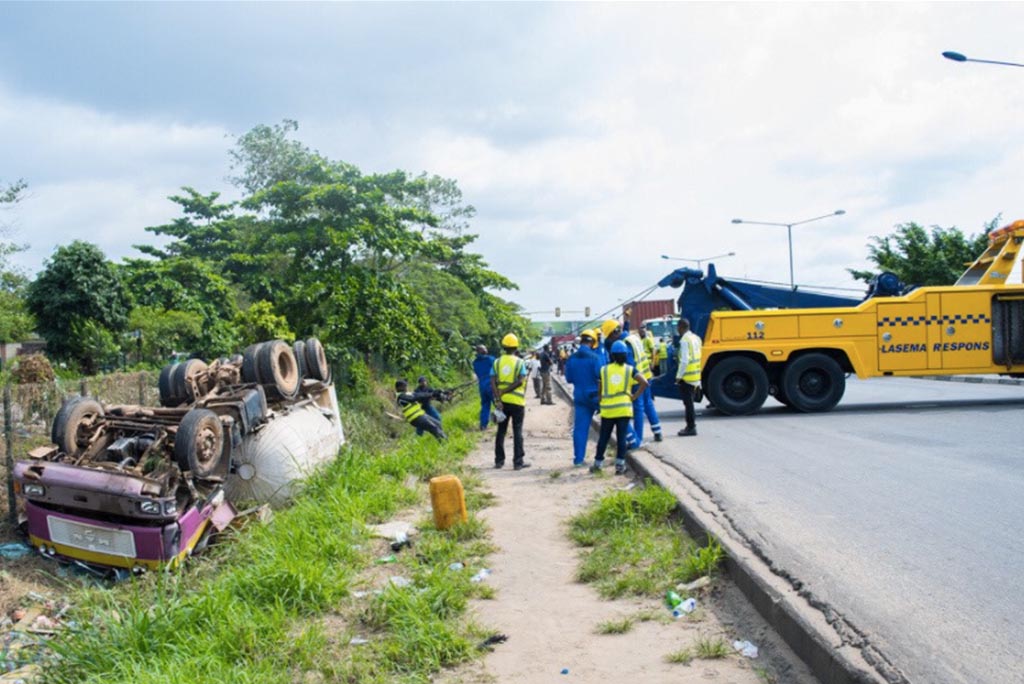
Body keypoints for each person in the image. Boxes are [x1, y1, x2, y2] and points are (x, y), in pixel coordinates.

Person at [591, 340, 647, 475]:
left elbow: (599, 391)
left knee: (604, 437)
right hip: (624, 409)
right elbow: (644, 382)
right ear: (625, 355)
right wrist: (634, 396)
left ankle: (598, 464)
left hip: (608, 410)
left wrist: (601, 401)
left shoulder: (604, 371)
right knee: (621, 438)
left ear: (612, 355)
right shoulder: (630, 369)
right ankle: (620, 466)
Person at [491, 333, 530, 470]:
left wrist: (498, 397)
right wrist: (507, 390)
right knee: (517, 431)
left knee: (501, 431)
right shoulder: (520, 362)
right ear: (516, 347)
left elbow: (493, 382)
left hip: (502, 403)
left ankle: (499, 461)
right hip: (517, 402)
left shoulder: (497, 362)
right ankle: (518, 462)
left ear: (503, 347)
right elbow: (520, 381)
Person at [564, 329, 602, 467]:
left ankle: (579, 459)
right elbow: (601, 377)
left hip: (579, 395)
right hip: (595, 395)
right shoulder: (595, 358)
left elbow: (568, 379)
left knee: (580, 428)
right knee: (614, 418)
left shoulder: (571, 359)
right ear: (592, 342)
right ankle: (631, 442)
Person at [625, 324, 663, 443]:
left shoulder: (627, 343)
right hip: (646, 375)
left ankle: (638, 439)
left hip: (638, 380)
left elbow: (631, 366)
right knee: (648, 404)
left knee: (638, 408)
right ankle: (657, 431)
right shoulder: (635, 339)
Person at [675, 318, 702, 437]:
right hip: (696, 375)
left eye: (678, 328)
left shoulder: (685, 340)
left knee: (688, 404)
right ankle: (691, 426)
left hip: (687, 377)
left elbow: (685, 361)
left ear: (681, 327)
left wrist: (678, 376)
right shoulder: (696, 338)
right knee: (690, 403)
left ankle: (691, 427)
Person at [472, 345, 495, 431]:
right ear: (481, 351)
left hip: (482, 386)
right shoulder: (490, 359)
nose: (486, 349)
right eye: (485, 348)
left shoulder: (475, 363)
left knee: (485, 405)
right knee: (497, 403)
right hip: (491, 385)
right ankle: (501, 421)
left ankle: (483, 425)